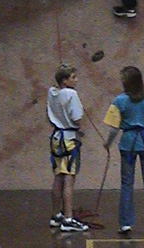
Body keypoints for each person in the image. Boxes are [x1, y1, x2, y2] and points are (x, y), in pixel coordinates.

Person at [103, 66, 144, 236]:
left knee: (127, 184)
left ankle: (125, 224)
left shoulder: (119, 101)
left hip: (128, 145)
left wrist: (107, 143)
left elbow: (114, 129)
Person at [46, 63, 89, 233]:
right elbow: (77, 117)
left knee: (58, 177)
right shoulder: (71, 94)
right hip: (69, 139)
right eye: (73, 77)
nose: (76, 80)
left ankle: (57, 214)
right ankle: (68, 218)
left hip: (56, 138)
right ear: (65, 80)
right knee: (69, 179)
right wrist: (82, 129)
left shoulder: (51, 92)